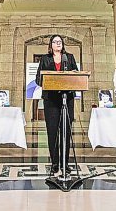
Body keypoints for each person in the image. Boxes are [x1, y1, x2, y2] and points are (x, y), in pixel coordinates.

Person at [36, 35, 78, 175]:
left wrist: (73, 74)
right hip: (51, 100)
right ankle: (55, 163)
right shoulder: (45, 58)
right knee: (53, 132)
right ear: (51, 45)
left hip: (67, 99)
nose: (58, 44)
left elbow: (77, 76)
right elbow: (38, 79)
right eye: (55, 42)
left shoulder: (70, 57)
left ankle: (65, 163)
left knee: (66, 132)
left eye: (60, 42)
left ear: (62, 44)